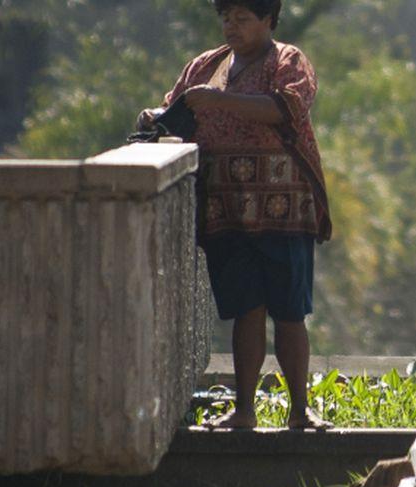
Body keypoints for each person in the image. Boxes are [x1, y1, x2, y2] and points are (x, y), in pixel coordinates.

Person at [139, 0, 331, 430]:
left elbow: (286, 108)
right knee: (246, 309)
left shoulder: (287, 61)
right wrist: (155, 118)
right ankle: (244, 411)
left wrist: (220, 101)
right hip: (228, 208)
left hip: (283, 206)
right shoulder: (205, 67)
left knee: (288, 312)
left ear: (268, 20)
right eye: (226, 17)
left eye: (243, 18)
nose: (232, 26)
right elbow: (178, 113)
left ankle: (300, 411)